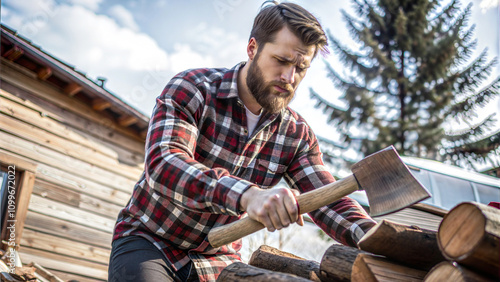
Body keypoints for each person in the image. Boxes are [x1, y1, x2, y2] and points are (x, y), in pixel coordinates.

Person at [108, 1, 376, 281]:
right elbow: (164, 164)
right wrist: (248, 195)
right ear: (252, 48)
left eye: (301, 67)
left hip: (218, 259)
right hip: (150, 241)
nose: (289, 77)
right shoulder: (193, 89)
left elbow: (327, 200)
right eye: (282, 61)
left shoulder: (296, 135)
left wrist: (376, 239)